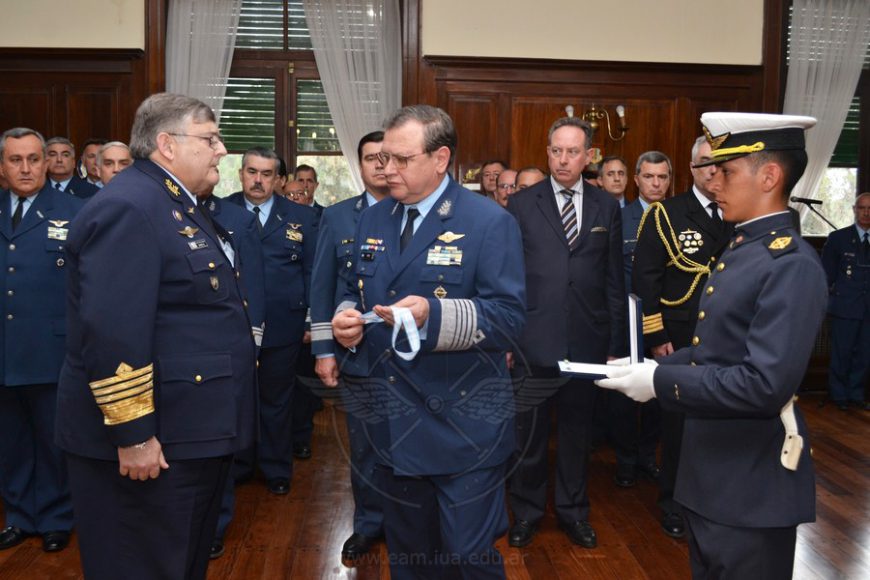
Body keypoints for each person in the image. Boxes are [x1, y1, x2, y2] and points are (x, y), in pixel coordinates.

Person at [597, 112, 826, 579]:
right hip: (712, 479)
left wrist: (661, 380)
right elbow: (714, 349)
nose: (713, 181)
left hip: (751, 484)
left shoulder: (789, 264)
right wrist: (642, 368)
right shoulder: (744, 246)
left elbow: (762, 384)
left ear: (769, 176)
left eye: (727, 171)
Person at [55, 92, 258, 580]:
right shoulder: (133, 206)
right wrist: (134, 434)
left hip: (188, 429)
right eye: (210, 138)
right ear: (166, 144)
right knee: (142, 565)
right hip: (152, 441)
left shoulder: (171, 203)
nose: (222, 150)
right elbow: (112, 331)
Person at [331, 104, 525, 579]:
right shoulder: (374, 220)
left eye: (401, 159)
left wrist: (431, 316)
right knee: (412, 559)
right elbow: (351, 286)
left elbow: (509, 318)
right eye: (382, 159)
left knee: (468, 558)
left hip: (463, 427)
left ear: (440, 159)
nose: (386, 168)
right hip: (396, 425)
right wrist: (344, 318)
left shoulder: (487, 221)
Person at [506, 116, 625, 550]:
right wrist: (508, 340)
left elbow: (614, 280)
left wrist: (614, 345)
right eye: (556, 150)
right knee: (530, 437)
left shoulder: (606, 206)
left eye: (572, 151)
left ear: (588, 156)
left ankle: (574, 513)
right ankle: (527, 512)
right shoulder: (522, 204)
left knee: (578, 435)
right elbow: (509, 280)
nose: (562, 159)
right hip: (533, 340)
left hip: (588, 342)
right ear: (547, 151)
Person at [630, 137, 732, 537]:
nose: (713, 170)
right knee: (678, 427)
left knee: (720, 423)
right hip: (679, 337)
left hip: (727, 337)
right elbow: (645, 278)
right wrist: (655, 336)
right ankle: (673, 502)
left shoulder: (737, 212)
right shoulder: (666, 214)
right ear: (691, 168)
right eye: (706, 163)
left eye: (721, 163)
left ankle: (713, 500)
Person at [0, 127, 82, 553]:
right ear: (2, 166)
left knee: (53, 444)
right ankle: (18, 516)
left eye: (34, 158)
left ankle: (54, 517)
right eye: (16, 160)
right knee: (10, 442)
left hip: (53, 351)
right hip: (4, 350)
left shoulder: (74, 211)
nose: (27, 168)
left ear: (47, 163)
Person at [310, 130, 389, 562]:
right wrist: (324, 349)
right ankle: (368, 526)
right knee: (365, 448)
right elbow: (323, 285)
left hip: (413, 356)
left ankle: (407, 523)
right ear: (359, 165)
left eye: (386, 157)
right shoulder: (339, 216)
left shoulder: (416, 211)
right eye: (371, 158)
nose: (379, 165)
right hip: (359, 353)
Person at [226, 147, 317, 496]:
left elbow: (311, 272)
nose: (258, 180)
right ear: (241, 173)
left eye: (266, 174)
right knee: (237, 399)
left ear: (278, 180)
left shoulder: (301, 217)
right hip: (233, 324)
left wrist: (310, 321)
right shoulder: (218, 210)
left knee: (277, 399)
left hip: (284, 323)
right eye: (252, 172)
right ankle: (240, 465)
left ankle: (276, 467)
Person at [200, 183, 267, 559]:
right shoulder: (160, 211)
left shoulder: (238, 220)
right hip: (179, 353)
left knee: (219, 440)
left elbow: (252, 284)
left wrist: (251, 343)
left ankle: (216, 523)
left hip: (227, 348)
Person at [609, 150, 672, 491]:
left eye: (662, 177)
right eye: (649, 176)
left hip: (662, 322)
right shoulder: (621, 218)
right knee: (623, 397)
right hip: (627, 320)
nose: (656, 183)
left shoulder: (676, 218)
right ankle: (626, 460)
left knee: (658, 395)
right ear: (637, 179)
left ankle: (649, 456)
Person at [821, 191, 870, 411]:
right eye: (862, 208)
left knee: (864, 354)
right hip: (845, 307)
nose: (866, 213)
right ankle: (839, 395)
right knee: (842, 353)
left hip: (868, 309)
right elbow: (826, 275)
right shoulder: (838, 238)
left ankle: (856, 394)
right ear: (854, 210)